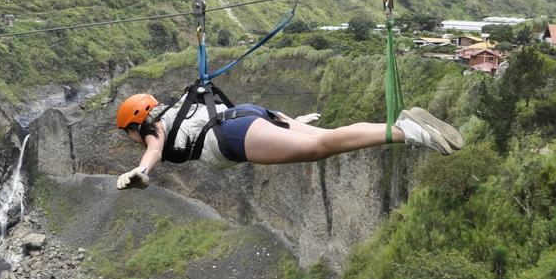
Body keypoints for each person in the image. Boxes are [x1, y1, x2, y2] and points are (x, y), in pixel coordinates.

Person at [114, 91, 463, 189]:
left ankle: (409, 132)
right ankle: (400, 127)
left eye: (129, 133)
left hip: (230, 136)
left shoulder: (153, 130)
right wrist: (289, 121)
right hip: (249, 115)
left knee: (319, 149)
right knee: (326, 139)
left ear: (136, 123)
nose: (133, 138)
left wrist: (141, 171)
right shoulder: (176, 111)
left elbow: (155, 150)